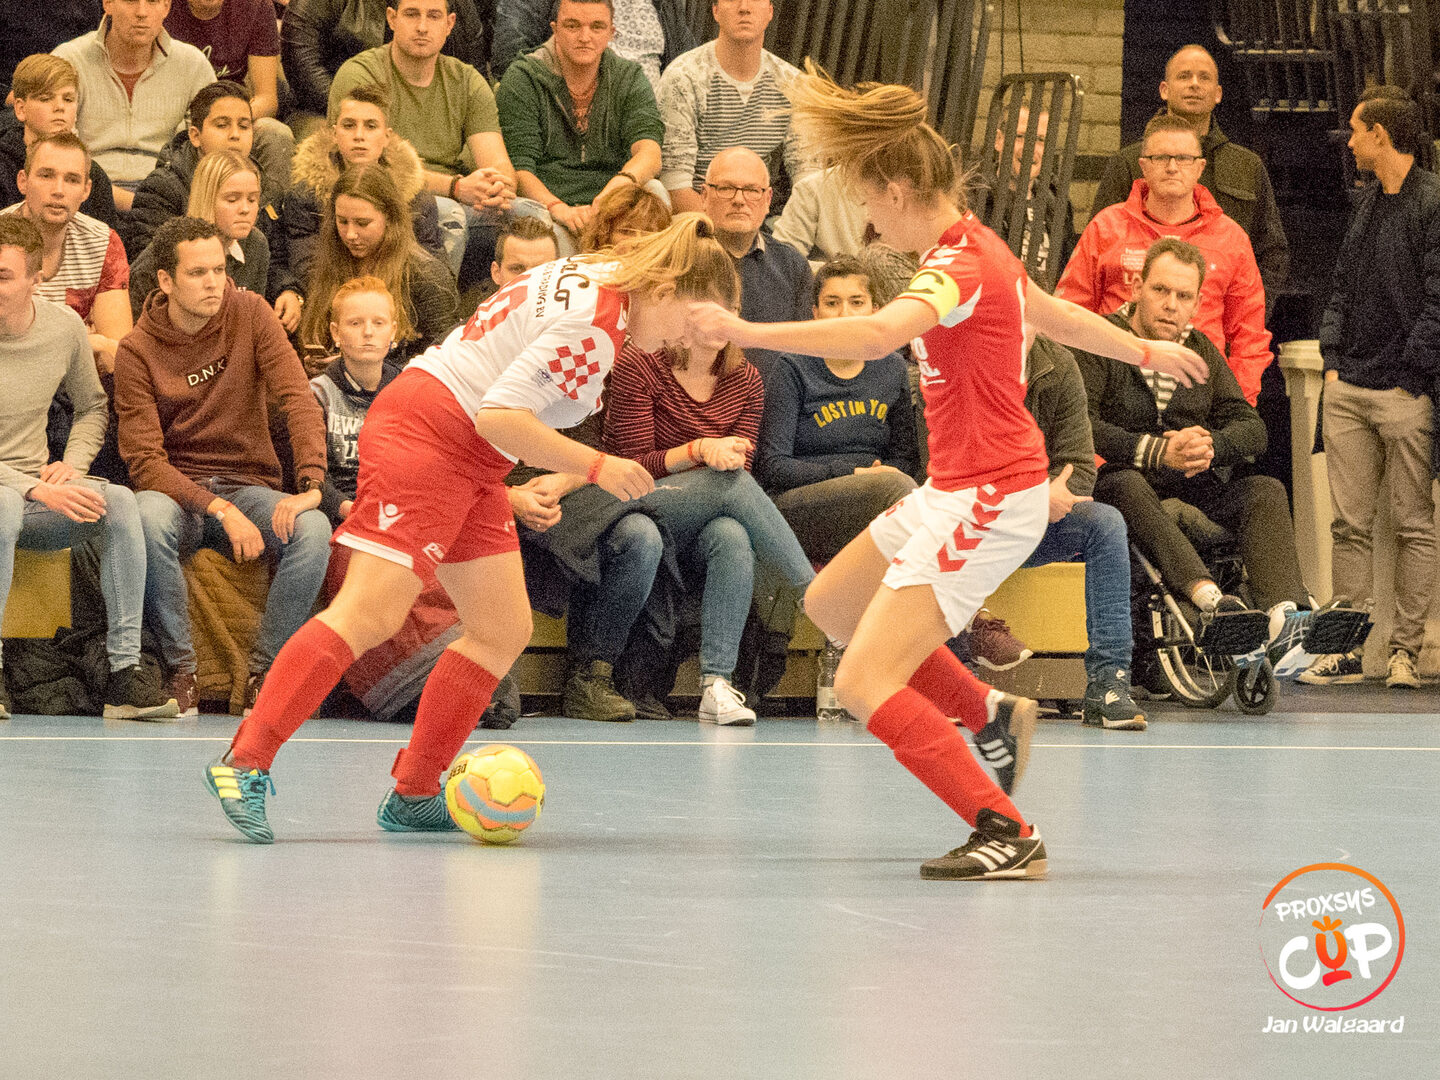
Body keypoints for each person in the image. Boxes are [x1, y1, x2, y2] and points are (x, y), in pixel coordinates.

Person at [684, 72, 1207, 880]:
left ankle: (1007, 829)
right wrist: (1143, 348)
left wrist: (745, 328)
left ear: (898, 189)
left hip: (991, 496)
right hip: (955, 489)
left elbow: (881, 331)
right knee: (832, 604)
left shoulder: (953, 267)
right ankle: (988, 710)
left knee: (864, 682)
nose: (867, 217)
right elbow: (1051, 312)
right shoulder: (978, 247)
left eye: (869, 198)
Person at [200, 214, 734, 844]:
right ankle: (245, 762)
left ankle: (415, 790)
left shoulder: (601, 272)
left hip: (469, 450)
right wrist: (596, 466)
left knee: (501, 628)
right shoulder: (596, 327)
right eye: (693, 326)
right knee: (370, 612)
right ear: (667, 289)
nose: (685, 345)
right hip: (430, 434)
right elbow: (500, 416)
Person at [1077, 238, 1326, 679]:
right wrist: (1159, 451)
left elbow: (1251, 428)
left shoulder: (1201, 349)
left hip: (1194, 486)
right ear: (1136, 288)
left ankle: (1286, 617)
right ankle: (1213, 602)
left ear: (1196, 304)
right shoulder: (1103, 341)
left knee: (1264, 489)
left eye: (1183, 296)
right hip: (1127, 486)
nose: (1171, 305)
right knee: (1122, 483)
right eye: (1160, 290)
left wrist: (1209, 446)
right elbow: (1084, 424)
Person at [115, 216, 332, 717]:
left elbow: (298, 399)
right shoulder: (136, 350)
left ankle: (265, 675)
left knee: (314, 529)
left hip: (249, 486)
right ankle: (182, 671)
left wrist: (311, 482)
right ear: (165, 280)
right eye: (197, 273)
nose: (213, 283)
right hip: (179, 494)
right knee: (145, 516)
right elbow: (145, 463)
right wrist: (217, 508)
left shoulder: (251, 312)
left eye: (219, 270)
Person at [604, 288, 816, 725]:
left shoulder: (747, 379)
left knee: (732, 535)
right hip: (632, 502)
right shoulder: (641, 362)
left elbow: (743, 468)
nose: (721, 318)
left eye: (730, 308)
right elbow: (628, 465)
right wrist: (698, 451)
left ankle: (716, 684)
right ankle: (816, 597)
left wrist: (726, 457)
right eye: (708, 307)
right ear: (682, 312)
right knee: (731, 483)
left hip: (702, 513)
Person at [0, 214, 178, 721]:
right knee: (5, 505)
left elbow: (93, 406)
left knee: (118, 502)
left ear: (36, 280)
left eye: (3, 276)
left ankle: (124, 675)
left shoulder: (63, 329)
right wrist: (32, 488)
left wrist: (71, 466)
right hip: (14, 498)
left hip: (37, 496)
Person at [1303, 87, 1440, 689]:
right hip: (1350, 389)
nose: (1350, 142)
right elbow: (1340, 287)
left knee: (1413, 525)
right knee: (1349, 527)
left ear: (1380, 135)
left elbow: (1439, 299)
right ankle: (1347, 650)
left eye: (1357, 131)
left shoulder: (1433, 202)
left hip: (1404, 394)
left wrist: (1411, 376)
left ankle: (1405, 651)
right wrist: (1332, 363)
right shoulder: (1365, 203)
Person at [1056, 114, 1272, 406]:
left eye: (1183, 158)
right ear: (1143, 166)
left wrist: (1235, 406)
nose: (1172, 167)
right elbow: (1070, 315)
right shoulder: (1106, 227)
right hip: (1114, 394)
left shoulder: (1231, 238)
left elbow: (1250, 337)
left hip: (1199, 399)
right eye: (1160, 158)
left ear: (1200, 167)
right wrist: (1078, 400)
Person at [328, 0, 527, 286]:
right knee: (448, 216)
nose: (422, 27)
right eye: (412, 15)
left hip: (463, 197)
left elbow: (498, 162)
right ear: (391, 19)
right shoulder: (362, 74)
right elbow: (364, 167)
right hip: (390, 198)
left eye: (433, 16)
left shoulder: (466, 80)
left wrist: (496, 186)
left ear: (449, 24)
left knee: (534, 216)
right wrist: (455, 187)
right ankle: (437, 311)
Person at [1090, 44, 1288, 302]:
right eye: (1184, 76)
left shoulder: (1247, 166)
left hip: (1219, 317)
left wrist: (1248, 311)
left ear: (1218, 94)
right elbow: (1098, 246)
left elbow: (1272, 252)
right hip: (1138, 315)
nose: (1194, 84)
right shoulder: (1129, 162)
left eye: (1204, 78)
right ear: (1164, 90)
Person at [756, 255, 917, 564]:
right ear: (815, 313)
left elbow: (905, 457)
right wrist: (854, 474)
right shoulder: (793, 366)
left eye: (857, 302)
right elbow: (773, 466)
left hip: (877, 494)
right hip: (799, 503)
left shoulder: (892, 367)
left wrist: (876, 478)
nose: (845, 313)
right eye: (832, 303)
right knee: (897, 490)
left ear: (875, 310)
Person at [1020, 334, 1145, 730]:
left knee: (1105, 522)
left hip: (1033, 524)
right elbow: (944, 473)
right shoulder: (962, 359)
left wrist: (1044, 499)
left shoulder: (1057, 364)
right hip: (970, 520)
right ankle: (954, 672)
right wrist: (1033, 497)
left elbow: (1079, 467)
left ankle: (1109, 683)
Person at [495, 0, 665, 254]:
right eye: (573, 26)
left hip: (611, 202)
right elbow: (520, 170)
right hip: (547, 205)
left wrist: (618, 186)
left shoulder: (629, 77)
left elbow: (650, 152)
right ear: (555, 29)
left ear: (611, 33)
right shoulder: (524, 78)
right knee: (542, 229)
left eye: (597, 27)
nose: (585, 37)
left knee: (655, 190)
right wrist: (559, 209)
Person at [52, 1, 217, 210]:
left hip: (167, 194)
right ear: (108, 3)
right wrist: (138, 203)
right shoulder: (69, 60)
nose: (141, 12)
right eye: (130, 1)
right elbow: (54, 148)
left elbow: (211, 147)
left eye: (153, 1)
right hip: (87, 194)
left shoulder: (193, 65)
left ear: (166, 7)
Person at [284, 83, 446, 286]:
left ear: (387, 137)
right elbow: (308, 270)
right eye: (349, 125)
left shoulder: (416, 197)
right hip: (333, 294)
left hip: (400, 295)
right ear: (334, 134)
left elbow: (435, 271)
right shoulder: (307, 195)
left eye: (370, 126)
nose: (359, 136)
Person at [658, 0, 811, 213]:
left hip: (757, 211)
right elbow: (675, 186)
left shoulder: (793, 83)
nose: (744, 7)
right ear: (715, 11)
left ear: (770, 11)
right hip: (694, 216)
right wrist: (721, 229)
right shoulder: (683, 77)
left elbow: (808, 178)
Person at [297, 164, 461, 360]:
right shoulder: (331, 260)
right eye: (342, 221)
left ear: (389, 218)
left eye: (362, 223)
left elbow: (444, 363)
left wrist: (368, 369)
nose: (350, 234)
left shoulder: (427, 276)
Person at [129, 150, 303, 332]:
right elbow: (136, 329)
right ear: (207, 199)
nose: (245, 209)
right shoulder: (167, 250)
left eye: (252, 199)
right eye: (232, 199)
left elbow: (248, 325)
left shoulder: (256, 244)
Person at [3, 132, 132, 375]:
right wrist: (82, 340)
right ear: (23, 182)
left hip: (75, 387)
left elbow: (116, 353)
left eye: (72, 180)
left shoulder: (103, 242)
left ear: (86, 190)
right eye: (46, 175)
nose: (58, 190)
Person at [121, 82, 287, 261]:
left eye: (244, 126)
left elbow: (277, 263)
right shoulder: (163, 188)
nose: (235, 134)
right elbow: (150, 264)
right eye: (222, 125)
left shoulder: (266, 187)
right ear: (195, 136)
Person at [699, 146, 813, 376]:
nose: (739, 200)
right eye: (726, 188)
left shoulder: (792, 265)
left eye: (752, 190)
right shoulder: (681, 259)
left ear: (768, 199)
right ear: (704, 195)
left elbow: (805, 355)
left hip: (775, 394)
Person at [281, 0, 490, 120]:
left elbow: (474, 78)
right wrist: (364, 115)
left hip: (434, 121)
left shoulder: (457, 6)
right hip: (330, 112)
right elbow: (302, 66)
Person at [0, 54, 119, 230]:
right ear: (21, 109)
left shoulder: (94, 174)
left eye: (68, 99)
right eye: (46, 98)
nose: (60, 107)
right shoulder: (3, 167)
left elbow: (107, 240)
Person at [493, 0, 695, 89]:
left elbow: (690, 66)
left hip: (653, 125)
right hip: (567, 120)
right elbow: (510, 60)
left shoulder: (662, 3)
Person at [577, 181, 671, 253]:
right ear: (604, 236)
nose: (637, 242)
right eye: (626, 231)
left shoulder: (671, 272)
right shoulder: (582, 269)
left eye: (647, 232)